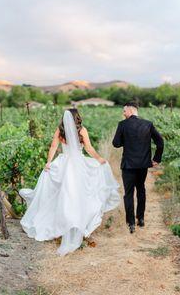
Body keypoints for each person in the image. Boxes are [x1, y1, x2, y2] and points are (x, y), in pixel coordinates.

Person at [19, 108, 120, 255]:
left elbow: (53, 147)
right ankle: (78, 224)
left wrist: (49, 162)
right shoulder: (82, 130)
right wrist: (98, 159)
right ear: (77, 117)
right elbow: (89, 148)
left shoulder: (61, 130)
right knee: (80, 195)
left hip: (64, 164)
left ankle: (65, 225)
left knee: (64, 196)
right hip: (78, 164)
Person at [112, 101, 164, 234]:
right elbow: (160, 142)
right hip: (143, 164)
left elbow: (116, 144)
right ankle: (140, 218)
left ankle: (131, 224)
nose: (123, 114)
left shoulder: (122, 125)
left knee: (128, 193)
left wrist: (125, 140)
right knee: (141, 189)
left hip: (128, 165)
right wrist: (156, 159)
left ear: (130, 110)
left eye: (124, 111)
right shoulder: (148, 124)